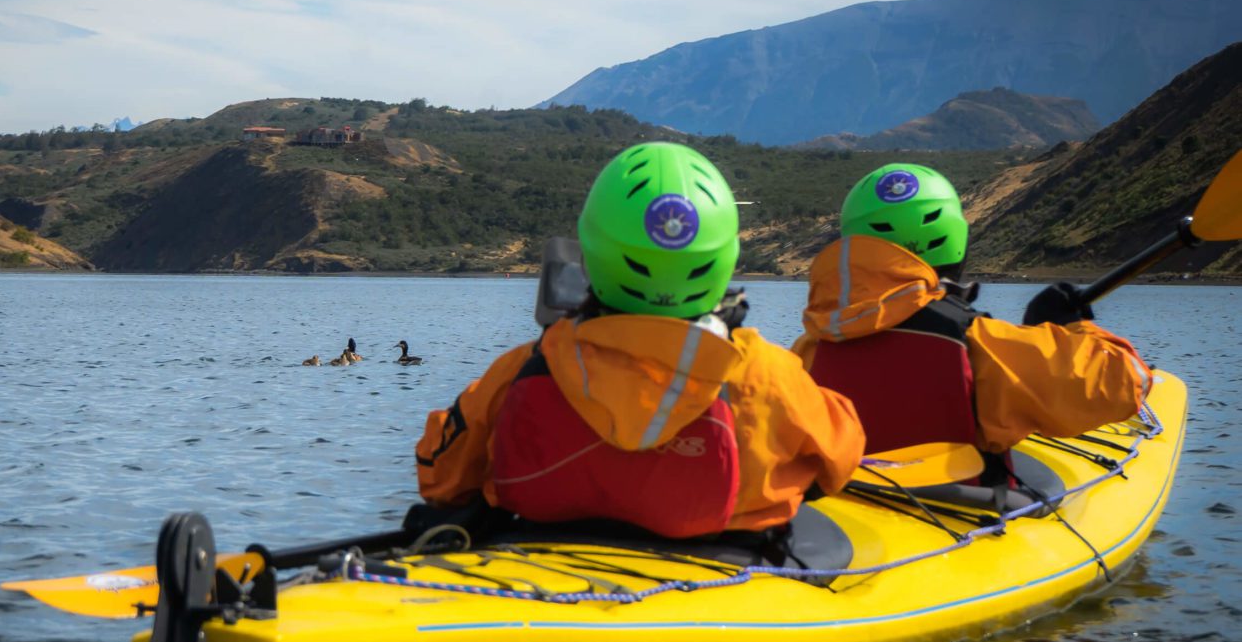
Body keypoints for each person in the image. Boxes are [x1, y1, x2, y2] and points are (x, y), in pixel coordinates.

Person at [414, 142, 865, 540]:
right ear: (722, 256)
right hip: (721, 571)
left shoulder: (523, 369)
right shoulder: (767, 374)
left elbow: (440, 479)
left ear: (592, 249)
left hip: (540, 560)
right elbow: (840, 460)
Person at [793, 163, 1151, 464]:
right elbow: (1130, 378)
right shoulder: (983, 343)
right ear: (956, 242)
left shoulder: (808, 349)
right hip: (959, 514)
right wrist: (1070, 329)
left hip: (846, 514)